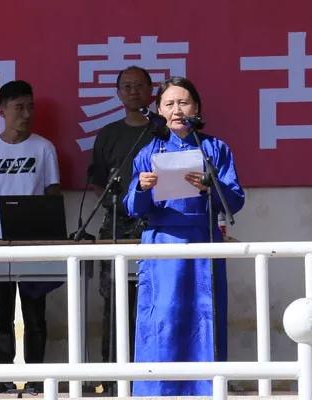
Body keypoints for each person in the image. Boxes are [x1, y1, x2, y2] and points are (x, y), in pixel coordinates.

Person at [123, 76, 245, 396]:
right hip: (161, 242)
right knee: (162, 317)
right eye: (169, 104)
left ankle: (204, 390)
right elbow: (132, 207)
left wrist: (209, 186)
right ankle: (157, 390)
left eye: (183, 102)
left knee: (204, 316)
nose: (176, 110)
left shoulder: (215, 149)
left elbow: (235, 200)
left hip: (203, 241)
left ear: (197, 107)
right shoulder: (147, 151)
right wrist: (142, 188)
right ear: (158, 111)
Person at [0, 80, 61, 393]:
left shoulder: (44, 148)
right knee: (1, 316)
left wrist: (32, 225)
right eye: (18, 107)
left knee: (35, 315)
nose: (26, 114)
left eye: (30, 107)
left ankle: (35, 379)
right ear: (2, 111)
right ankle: (3, 378)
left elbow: (52, 194)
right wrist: (1, 222)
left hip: (35, 244)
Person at [89, 66, 155, 367]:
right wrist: (120, 204)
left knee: (152, 300)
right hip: (116, 225)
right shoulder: (109, 134)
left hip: (154, 224)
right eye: (126, 87)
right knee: (115, 302)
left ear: (151, 91)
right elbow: (97, 182)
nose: (133, 92)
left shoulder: (161, 132)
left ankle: (149, 370)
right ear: (118, 94)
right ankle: (112, 375)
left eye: (139, 86)